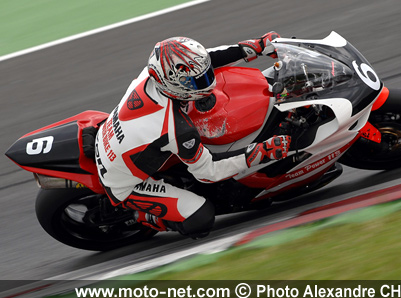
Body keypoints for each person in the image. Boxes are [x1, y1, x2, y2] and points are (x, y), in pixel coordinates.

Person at [95, 32, 291, 238]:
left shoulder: (154, 72)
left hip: (115, 140)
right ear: (176, 84)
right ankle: (143, 216)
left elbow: (208, 57)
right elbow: (208, 172)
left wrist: (255, 46)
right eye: (198, 81)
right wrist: (260, 152)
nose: (208, 81)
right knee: (201, 218)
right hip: (124, 184)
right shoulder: (176, 128)